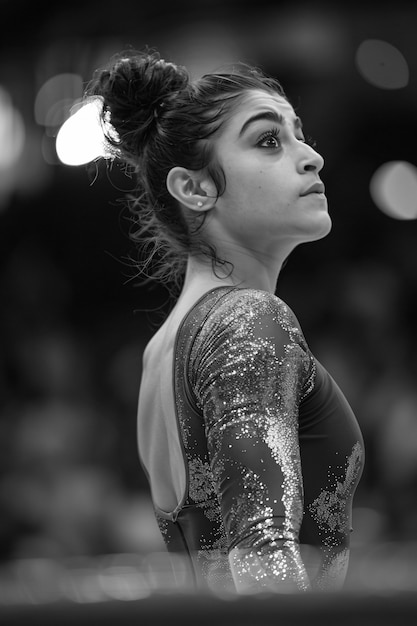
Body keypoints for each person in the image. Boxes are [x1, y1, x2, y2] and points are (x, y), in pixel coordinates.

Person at [87, 49, 364, 594]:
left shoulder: (164, 347)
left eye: (299, 133)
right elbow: (264, 560)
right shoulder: (248, 319)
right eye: (269, 140)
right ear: (194, 188)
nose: (311, 157)